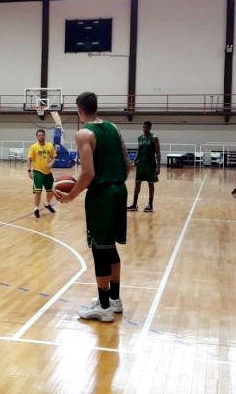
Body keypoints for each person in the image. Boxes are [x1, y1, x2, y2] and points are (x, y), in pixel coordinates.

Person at [55, 92, 130, 323]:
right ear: (97, 107)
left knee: (100, 249)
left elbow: (88, 173)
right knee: (111, 247)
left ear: (79, 111)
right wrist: (114, 181)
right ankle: (114, 300)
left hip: (102, 195)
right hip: (119, 190)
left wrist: (71, 197)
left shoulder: (83, 134)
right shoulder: (114, 128)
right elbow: (127, 164)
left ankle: (104, 308)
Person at [127, 121, 160, 212]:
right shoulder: (140, 138)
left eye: (146, 127)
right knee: (137, 183)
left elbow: (158, 152)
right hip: (141, 164)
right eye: (143, 127)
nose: (144, 129)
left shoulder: (154, 138)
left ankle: (150, 204)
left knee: (151, 184)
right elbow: (139, 151)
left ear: (150, 128)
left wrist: (158, 166)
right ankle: (134, 204)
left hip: (150, 164)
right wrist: (134, 161)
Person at [28, 128, 57, 218]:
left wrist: (51, 163)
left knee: (51, 191)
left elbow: (54, 157)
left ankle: (47, 204)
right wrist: (29, 171)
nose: (41, 137)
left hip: (48, 172)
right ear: (37, 137)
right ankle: (36, 209)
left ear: (45, 135)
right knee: (38, 191)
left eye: (42, 135)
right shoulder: (33, 147)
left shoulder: (50, 146)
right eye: (39, 135)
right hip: (38, 171)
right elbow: (29, 160)